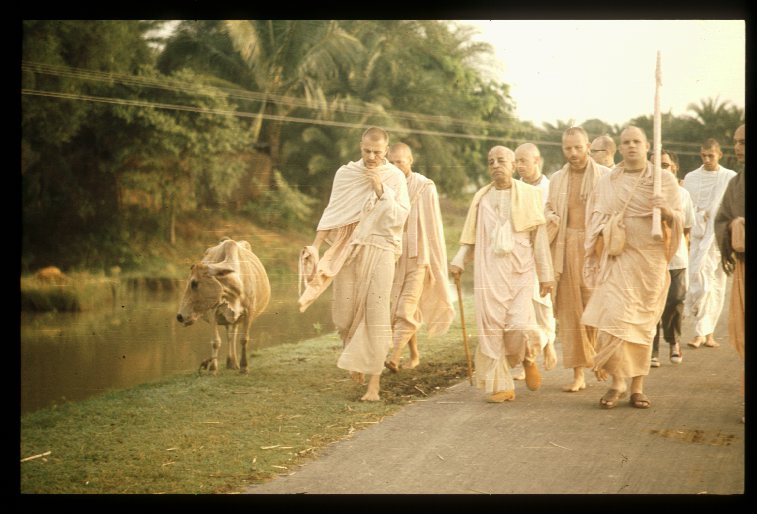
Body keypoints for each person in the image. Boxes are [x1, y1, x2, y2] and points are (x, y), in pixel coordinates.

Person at [298, 127, 410, 401]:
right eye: (366, 151)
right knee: (343, 316)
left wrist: (381, 190)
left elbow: (399, 218)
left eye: (377, 152)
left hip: (382, 248)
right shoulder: (345, 173)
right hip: (350, 249)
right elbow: (333, 212)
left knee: (376, 314)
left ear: (386, 151)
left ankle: (374, 386)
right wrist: (314, 245)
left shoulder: (394, 177)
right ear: (360, 147)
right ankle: (354, 352)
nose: (371, 157)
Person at [582, 126, 683, 409]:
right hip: (617, 259)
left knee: (642, 326)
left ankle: (638, 386)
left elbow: (681, 220)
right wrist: (608, 228)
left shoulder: (663, 180)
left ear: (647, 145)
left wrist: (665, 212)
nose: (631, 147)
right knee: (614, 320)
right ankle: (617, 383)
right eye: (625, 142)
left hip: (650, 262)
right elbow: (595, 216)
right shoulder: (608, 181)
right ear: (620, 147)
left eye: (636, 141)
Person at [449, 145, 554, 403]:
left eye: (501, 160)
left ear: (513, 165)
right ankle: (503, 385)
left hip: (521, 270)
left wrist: (546, 275)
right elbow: (470, 236)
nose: (496, 165)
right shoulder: (481, 198)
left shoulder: (529, 195)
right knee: (492, 328)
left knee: (519, 325)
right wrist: (459, 261)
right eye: (491, 161)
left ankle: (528, 357)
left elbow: (539, 239)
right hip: (490, 271)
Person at [545, 127, 611, 393]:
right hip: (566, 245)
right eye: (567, 148)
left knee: (597, 306)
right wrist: (551, 217)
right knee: (570, 311)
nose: (573, 153)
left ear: (588, 147)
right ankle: (578, 374)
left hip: (596, 245)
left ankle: (600, 357)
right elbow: (548, 207)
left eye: (577, 147)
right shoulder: (557, 179)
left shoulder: (605, 176)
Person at [383, 142, 455, 372]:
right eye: (391, 162)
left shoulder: (425, 187)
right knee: (397, 308)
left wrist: (435, 261)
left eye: (400, 162)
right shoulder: (384, 187)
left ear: (410, 161)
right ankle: (414, 354)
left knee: (406, 306)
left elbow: (433, 226)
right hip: (394, 256)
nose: (395, 167)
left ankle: (393, 357)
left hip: (419, 256)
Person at [682, 138, 737, 349]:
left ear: (719, 155)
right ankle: (699, 332)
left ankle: (708, 333)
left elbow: (732, 208)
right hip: (698, 238)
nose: (707, 159)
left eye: (711, 156)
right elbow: (687, 208)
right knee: (700, 285)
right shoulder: (691, 178)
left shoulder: (729, 177)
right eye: (703, 155)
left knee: (716, 287)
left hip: (719, 240)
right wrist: (700, 217)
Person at [514, 143, 557, 373]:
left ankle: (549, 342)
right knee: (521, 309)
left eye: (524, 161)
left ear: (537, 161)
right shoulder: (514, 189)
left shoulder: (550, 188)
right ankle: (526, 361)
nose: (519, 166)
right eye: (517, 161)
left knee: (542, 305)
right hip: (518, 256)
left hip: (544, 254)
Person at [650, 149, 695, 367]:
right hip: (650, 258)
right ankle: (652, 349)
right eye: (656, 165)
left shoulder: (682, 194)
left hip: (676, 259)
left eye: (665, 165)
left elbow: (687, 228)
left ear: (674, 167)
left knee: (675, 302)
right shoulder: (644, 191)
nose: (661, 170)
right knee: (651, 305)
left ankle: (674, 341)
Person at [714, 123, 745, 422]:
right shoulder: (736, 183)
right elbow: (721, 218)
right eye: (736, 142)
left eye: (744, 142)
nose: (738, 148)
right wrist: (734, 226)